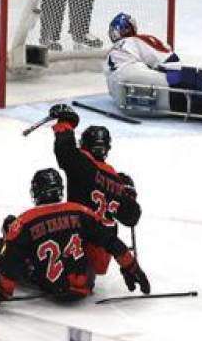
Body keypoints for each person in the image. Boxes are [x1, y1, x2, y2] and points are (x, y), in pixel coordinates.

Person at [0, 168, 149, 312]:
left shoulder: (25, 220)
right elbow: (112, 242)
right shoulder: (81, 211)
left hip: (51, 286)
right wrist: (132, 267)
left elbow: (12, 263)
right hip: (86, 283)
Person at [48, 103, 141, 275]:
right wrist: (130, 197)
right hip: (102, 256)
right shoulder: (117, 179)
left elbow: (65, 151)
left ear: (84, 145)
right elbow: (132, 217)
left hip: (75, 249)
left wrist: (65, 123)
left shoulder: (83, 164)